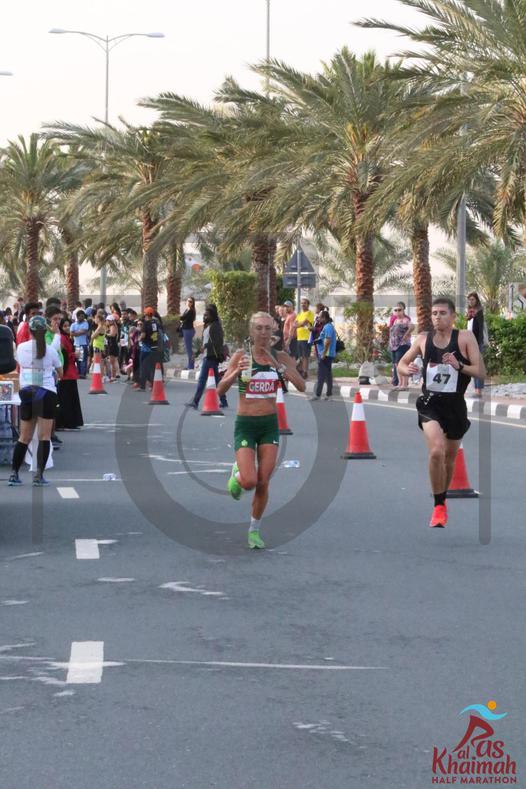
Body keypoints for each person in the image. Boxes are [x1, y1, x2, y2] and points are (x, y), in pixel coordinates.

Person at [217, 311, 306, 548]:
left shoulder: (281, 357)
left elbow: (302, 385)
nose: (264, 333)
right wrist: (236, 372)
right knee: (249, 481)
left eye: (268, 328)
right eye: (259, 328)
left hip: (269, 425)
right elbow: (219, 390)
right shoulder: (241, 356)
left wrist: (281, 368)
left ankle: (254, 531)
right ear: (251, 331)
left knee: (263, 481)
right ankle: (238, 476)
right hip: (245, 425)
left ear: (273, 331)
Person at [397, 298, 485, 529]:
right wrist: (408, 369)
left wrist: (459, 366)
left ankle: (442, 500)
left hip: (455, 406)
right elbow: (401, 364)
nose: (437, 317)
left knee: (449, 459)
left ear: (453, 316)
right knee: (436, 450)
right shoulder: (423, 339)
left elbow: (481, 371)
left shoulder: (465, 338)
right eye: (434, 313)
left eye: (443, 313)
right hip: (430, 404)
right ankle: (438, 506)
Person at [9, 315, 63, 486]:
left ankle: (14, 474)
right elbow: (61, 372)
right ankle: (39, 475)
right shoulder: (51, 350)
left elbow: (19, 365)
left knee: (24, 437)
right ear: (45, 331)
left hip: (27, 392)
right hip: (46, 393)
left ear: (29, 330)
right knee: (44, 436)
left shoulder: (21, 348)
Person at [185, 304, 228, 409]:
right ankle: (224, 401)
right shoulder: (208, 326)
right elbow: (205, 342)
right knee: (216, 381)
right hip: (207, 355)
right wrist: (197, 354)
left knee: (202, 380)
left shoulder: (216, 326)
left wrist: (205, 347)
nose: (204, 317)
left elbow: (217, 342)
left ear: (212, 315)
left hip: (211, 357)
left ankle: (195, 402)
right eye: (204, 315)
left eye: (207, 315)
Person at [56, 318, 84, 430]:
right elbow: (62, 354)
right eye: (65, 326)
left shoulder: (67, 337)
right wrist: (73, 355)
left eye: (68, 325)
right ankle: (66, 422)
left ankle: (71, 422)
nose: (67, 328)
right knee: (66, 399)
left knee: (70, 397)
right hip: (66, 371)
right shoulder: (62, 338)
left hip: (70, 370)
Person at [310, 310, 337, 401]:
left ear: (324, 318)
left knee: (321, 375)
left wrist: (323, 353)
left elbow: (328, 341)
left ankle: (317, 394)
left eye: (320, 317)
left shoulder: (328, 327)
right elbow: (324, 339)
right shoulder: (327, 326)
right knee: (328, 375)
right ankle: (329, 395)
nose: (318, 319)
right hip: (327, 354)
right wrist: (317, 341)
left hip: (326, 355)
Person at [389, 302, 414, 389]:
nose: (397, 312)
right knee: (397, 365)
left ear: (403, 310)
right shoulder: (395, 321)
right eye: (395, 310)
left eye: (399, 310)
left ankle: (404, 384)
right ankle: (400, 383)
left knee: (402, 364)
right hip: (394, 346)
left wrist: (406, 334)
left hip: (403, 345)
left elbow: (412, 327)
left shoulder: (406, 320)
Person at [466, 292, 486, 397]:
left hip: (477, 342)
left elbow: (480, 328)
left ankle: (479, 390)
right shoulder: (470, 313)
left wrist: (477, 343)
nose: (471, 301)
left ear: (477, 300)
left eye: (472, 299)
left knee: (478, 365)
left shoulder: (479, 312)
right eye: (469, 300)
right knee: (474, 366)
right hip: (470, 342)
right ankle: (476, 389)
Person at [294, 298, 315, 379]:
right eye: (302, 303)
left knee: (305, 356)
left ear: (308, 304)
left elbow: (305, 322)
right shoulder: (299, 314)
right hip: (299, 338)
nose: (303, 304)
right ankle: (301, 371)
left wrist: (299, 324)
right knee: (300, 356)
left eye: (305, 303)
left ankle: (305, 372)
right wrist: (300, 324)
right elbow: (294, 325)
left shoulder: (310, 313)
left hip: (306, 338)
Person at [70, 309, 89, 378]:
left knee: (83, 360)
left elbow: (84, 331)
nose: (83, 318)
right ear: (77, 317)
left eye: (83, 316)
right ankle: (78, 373)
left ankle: (82, 374)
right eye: (81, 316)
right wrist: (78, 332)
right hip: (76, 344)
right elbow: (71, 334)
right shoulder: (73, 324)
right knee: (77, 360)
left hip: (83, 344)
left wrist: (75, 333)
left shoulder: (85, 323)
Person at [180, 296, 196, 370]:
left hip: (188, 330)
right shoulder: (187, 310)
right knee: (188, 349)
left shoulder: (191, 311)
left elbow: (183, 318)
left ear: (193, 303)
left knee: (189, 349)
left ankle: (191, 366)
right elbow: (183, 318)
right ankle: (190, 365)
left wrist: (180, 318)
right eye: (188, 301)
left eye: (191, 301)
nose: (189, 302)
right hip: (186, 330)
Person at [104, 315, 120, 382]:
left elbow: (112, 334)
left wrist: (106, 334)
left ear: (110, 321)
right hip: (111, 345)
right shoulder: (111, 326)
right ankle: (111, 375)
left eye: (107, 321)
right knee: (112, 361)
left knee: (112, 362)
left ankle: (113, 376)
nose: (106, 322)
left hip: (112, 345)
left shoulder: (112, 326)